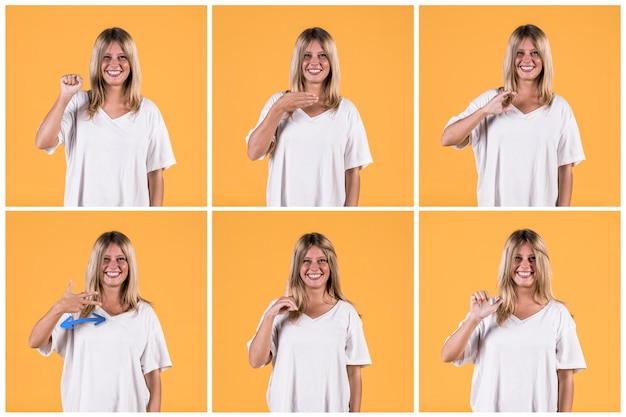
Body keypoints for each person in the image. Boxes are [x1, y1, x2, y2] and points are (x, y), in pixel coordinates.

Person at [441, 229, 586, 412]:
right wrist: (474, 318)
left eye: (532, 258)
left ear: (542, 263)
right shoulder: (487, 311)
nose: (525, 265)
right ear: (507, 262)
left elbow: (565, 377)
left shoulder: (558, 314)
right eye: (517, 258)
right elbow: (447, 355)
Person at [441, 24, 585, 207]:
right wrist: (485, 110)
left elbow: (565, 169)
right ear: (511, 58)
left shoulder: (560, 108)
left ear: (544, 58)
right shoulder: (489, 100)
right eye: (519, 53)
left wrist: (562, 215)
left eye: (535, 52)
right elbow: (447, 138)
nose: (527, 60)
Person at [29, 231, 172, 412]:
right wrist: (58, 308)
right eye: (105, 259)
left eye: (121, 258)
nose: (113, 265)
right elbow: (35, 341)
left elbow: (153, 378)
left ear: (130, 265)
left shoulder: (144, 314)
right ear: (95, 264)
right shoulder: (77, 308)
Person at [35, 27, 176, 207]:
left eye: (122, 57)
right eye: (106, 57)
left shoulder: (148, 111)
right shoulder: (77, 102)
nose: (114, 64)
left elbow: (155, 174)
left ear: (132, 63)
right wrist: (64, 96)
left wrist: (155, 216)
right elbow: (43, 141)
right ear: (97, 62)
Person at [246, 27, 373, 207]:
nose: (315, 62)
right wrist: (280, 107)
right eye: (307, 55)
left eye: (323, 55)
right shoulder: (277, 102)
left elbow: (352, 172)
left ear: (332, 62)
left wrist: (349, 214)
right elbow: (253, 152)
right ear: (298, 61)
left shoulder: (346, 111)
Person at [248, 232, 371, 411]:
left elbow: (354, 373)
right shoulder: (277, 311)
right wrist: (269, 316)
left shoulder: (346, 313)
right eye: (306, 261)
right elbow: (255, 361)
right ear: (297, 266)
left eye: (322, 260)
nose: (314, 267)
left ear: (331, 265)